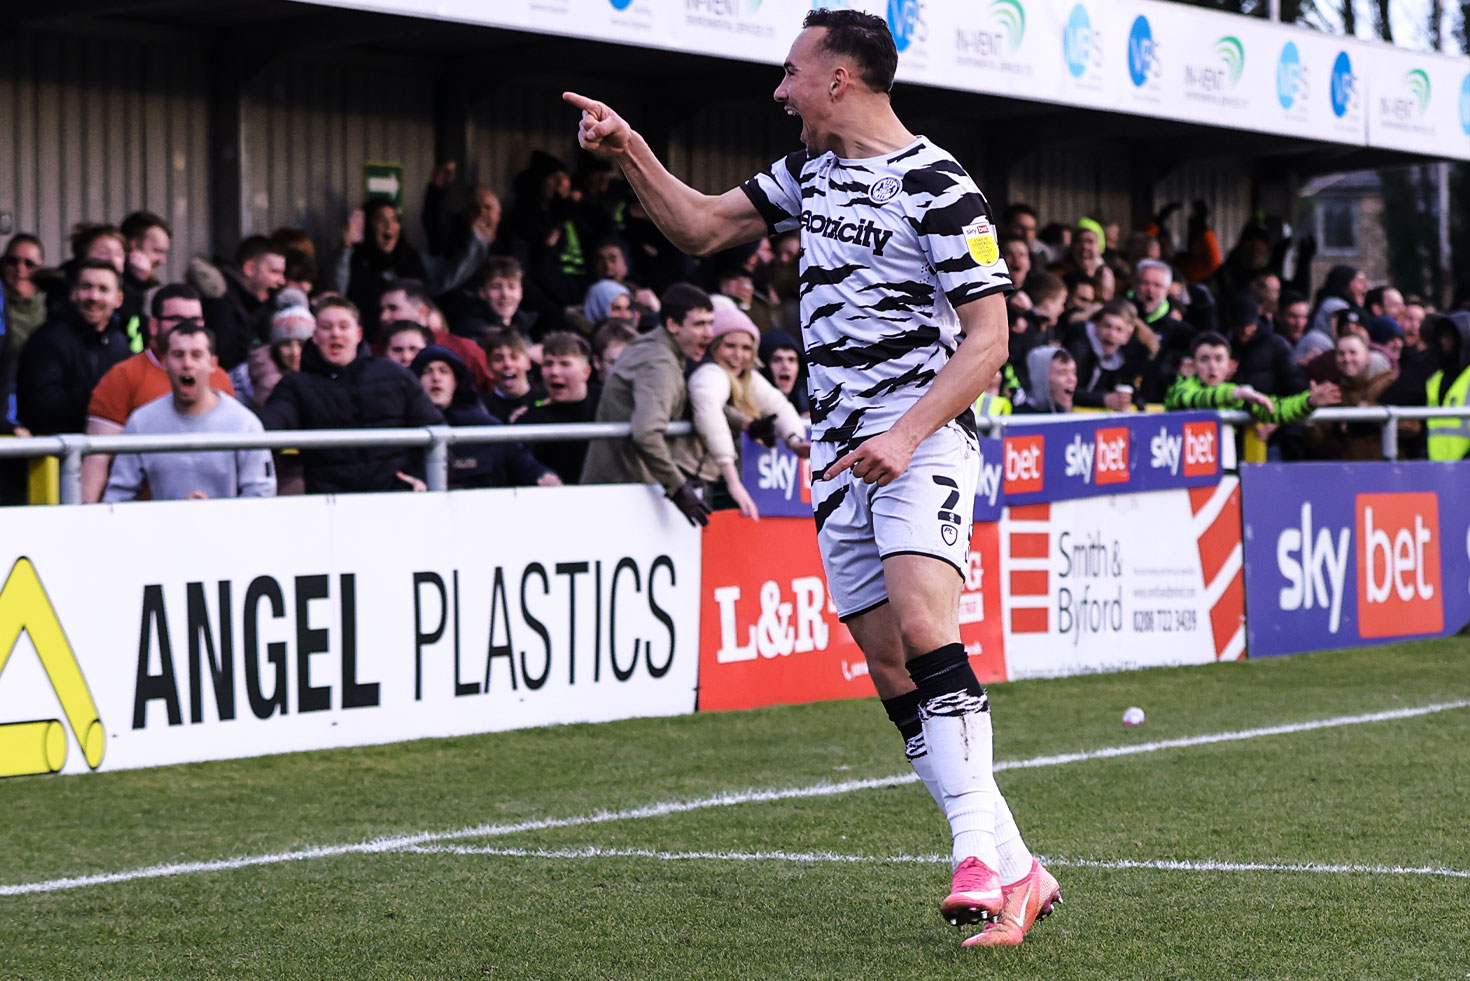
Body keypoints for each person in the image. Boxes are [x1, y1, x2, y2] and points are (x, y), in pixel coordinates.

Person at [567, 8, 1055, 947]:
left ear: (839, 78)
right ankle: (1021, 865)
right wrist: (629, 150)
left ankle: (976, 857)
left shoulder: (939, 183)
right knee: (886, 660)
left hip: (922, 438)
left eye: (792, 72)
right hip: (839, 451)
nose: (779, 89)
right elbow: (700, 226)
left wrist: (906, 434)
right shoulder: (810, 172)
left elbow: (990, 342)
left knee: (925, 626)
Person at [257, 296, 444, 493]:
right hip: (330, 502)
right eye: (326, 327)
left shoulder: (395, 375)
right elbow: (266, 430)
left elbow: (436, 432)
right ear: (315, 336)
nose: (335, 334)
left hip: (397, 495)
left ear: (358, 334)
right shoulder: (295, 386)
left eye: (343, 326)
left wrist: (420, 478)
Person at [81, 283, 236, 502]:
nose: (188, 327)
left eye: (195, 320)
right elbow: (97, 458)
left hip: (216, 510)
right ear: (154, 325)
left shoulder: (219, 377)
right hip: (145, 513)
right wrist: (87, 514)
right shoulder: (123, 376)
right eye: (177, 319)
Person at [578, 284, 712, 519]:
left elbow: (689, 403)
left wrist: (746, 423)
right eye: (699, 324)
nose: (709, 333)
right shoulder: (659, 362)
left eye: (711, 323)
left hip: (619, 491)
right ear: (673, 325)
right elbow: (647, 433)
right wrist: (678, 487)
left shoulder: (652, 346)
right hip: (623, 498)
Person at [104, 322, 276, 502]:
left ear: (213, 364)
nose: (187, 364)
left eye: (196, 355)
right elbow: (118, 497)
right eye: (178, 355)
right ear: (165, 363)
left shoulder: (244, 424)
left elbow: (261, 495)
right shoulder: (141, 422)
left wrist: (217, 512)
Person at [688, 306, 809, 519]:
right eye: (730, 346)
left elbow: (779, 405)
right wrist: (733, 481)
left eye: (746, 348)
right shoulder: (709, 373)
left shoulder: (746, 377)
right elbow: (710, 412)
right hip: (690, 477)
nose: (738, 355)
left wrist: (795, 440)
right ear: (714, 345)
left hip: (708, 478)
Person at [409, 345, 559, 489]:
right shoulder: (404, 429)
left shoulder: (487, 429)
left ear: (456, 382)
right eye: (427, 372)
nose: (436, 378)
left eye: (444, 371)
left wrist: (543, 476)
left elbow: (523, 463)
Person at [17, 259, 133, 435]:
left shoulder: (121, 345)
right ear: (73, 293)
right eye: (86, 287)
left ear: (119, 299)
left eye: (103, 289)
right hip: (57, 447)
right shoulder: (46, 340)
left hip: (110, 446)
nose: (94, 296)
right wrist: (101, 395)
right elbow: (39, 407)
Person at [1165, 332, 1336, 428]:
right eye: (1204, 359)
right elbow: (1194, 399)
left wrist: (1309, 401)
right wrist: (1235, 394)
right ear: (1193, 365)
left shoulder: (1239, 396)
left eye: (1218, 359)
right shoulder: (1181, 388)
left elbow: (1277, 410)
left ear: (1230, 365)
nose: (1212, 366)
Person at [514, 331, 600, 484]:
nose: (554, 372)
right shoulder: (530, 418)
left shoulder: (605, 405)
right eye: (548, 364)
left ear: (585, 372)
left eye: (564, 364)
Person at [1424, 311, 1470, 460]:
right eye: (1441, 337)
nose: (1443, 342)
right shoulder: (1434, 380)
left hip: (1465, 467)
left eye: (1449, 337)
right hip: (1435, 466)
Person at [481, 328, 547, 421]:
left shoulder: (544, 399)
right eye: (498, 359)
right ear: (488, 366)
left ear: (528, 363)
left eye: (514, 357)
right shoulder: (482, 407)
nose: (507, 364)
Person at [2, 234, 48, 353]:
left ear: (41, 269)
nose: (20, 269)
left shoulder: (52, 311)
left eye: (29, 264)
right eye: (12, 261)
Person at [758, 329, 810, 415]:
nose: (786, 366)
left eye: (791, 360)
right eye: (777, 360)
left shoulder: (810, 402)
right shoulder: (752, 405)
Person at [1014, 346, 1077, 414]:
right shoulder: (1017, 417)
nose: (1072, 379)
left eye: (1074, 372)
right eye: (1063, 373)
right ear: (1041, 377)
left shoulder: (1070, 415)